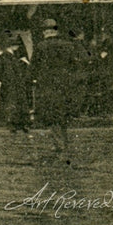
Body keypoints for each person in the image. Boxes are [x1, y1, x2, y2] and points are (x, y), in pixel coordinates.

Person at [30, 18, 85, 153]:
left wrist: (33, 79)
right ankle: (63, 141)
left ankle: (58, 143)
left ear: (46, 32)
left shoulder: (41, 46)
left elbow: (33, 68)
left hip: (47, 85)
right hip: (65, 85)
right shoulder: (68, 45)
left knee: (52, 114)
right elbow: (76, 65)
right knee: (63, 113)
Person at [0, 34, 30, 134]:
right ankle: (16, 124)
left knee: (14, 104)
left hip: (10, 85)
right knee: (15, 104)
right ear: (12, 46)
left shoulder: (8, 57)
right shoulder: (7, 57)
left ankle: (16, 124)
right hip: (13, 85)